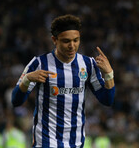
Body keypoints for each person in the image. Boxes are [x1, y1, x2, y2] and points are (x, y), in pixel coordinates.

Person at [11, 14, 115, 148]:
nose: (72, 45)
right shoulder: (39, 63)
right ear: (54, 40)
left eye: (76, 40)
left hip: (76, 142)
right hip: (46, 142)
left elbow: (107, 100)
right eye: (66, 41)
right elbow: (16, 100)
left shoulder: (88, 64)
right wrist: (26, 80)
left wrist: (109, 74)